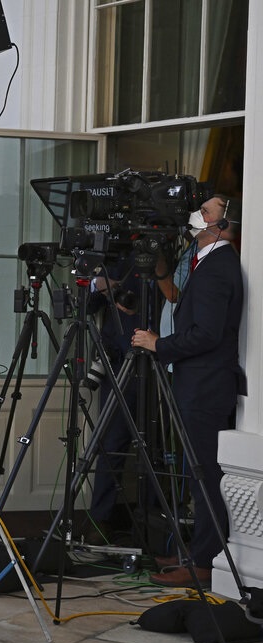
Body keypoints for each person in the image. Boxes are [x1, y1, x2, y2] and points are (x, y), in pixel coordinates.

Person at [131, 195, 245, 589]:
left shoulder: (219, 266)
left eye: (206, 211)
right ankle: (197, 552)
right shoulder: (204, 261)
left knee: (205, 475)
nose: (198, 214)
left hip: (205, 386)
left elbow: (207, 334)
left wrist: (159, 344)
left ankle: (205, 562)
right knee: (196, 473)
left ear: (223, 224)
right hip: (196, 382)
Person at [84, 257, 145, 544]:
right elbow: (86, 306)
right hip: (117, 363)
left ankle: (154, 523)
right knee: (111, 444)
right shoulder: (112, 257)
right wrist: (98, 285)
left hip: (156, 356)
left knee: (153, 449)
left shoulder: (160, 258)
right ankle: (100, 519)